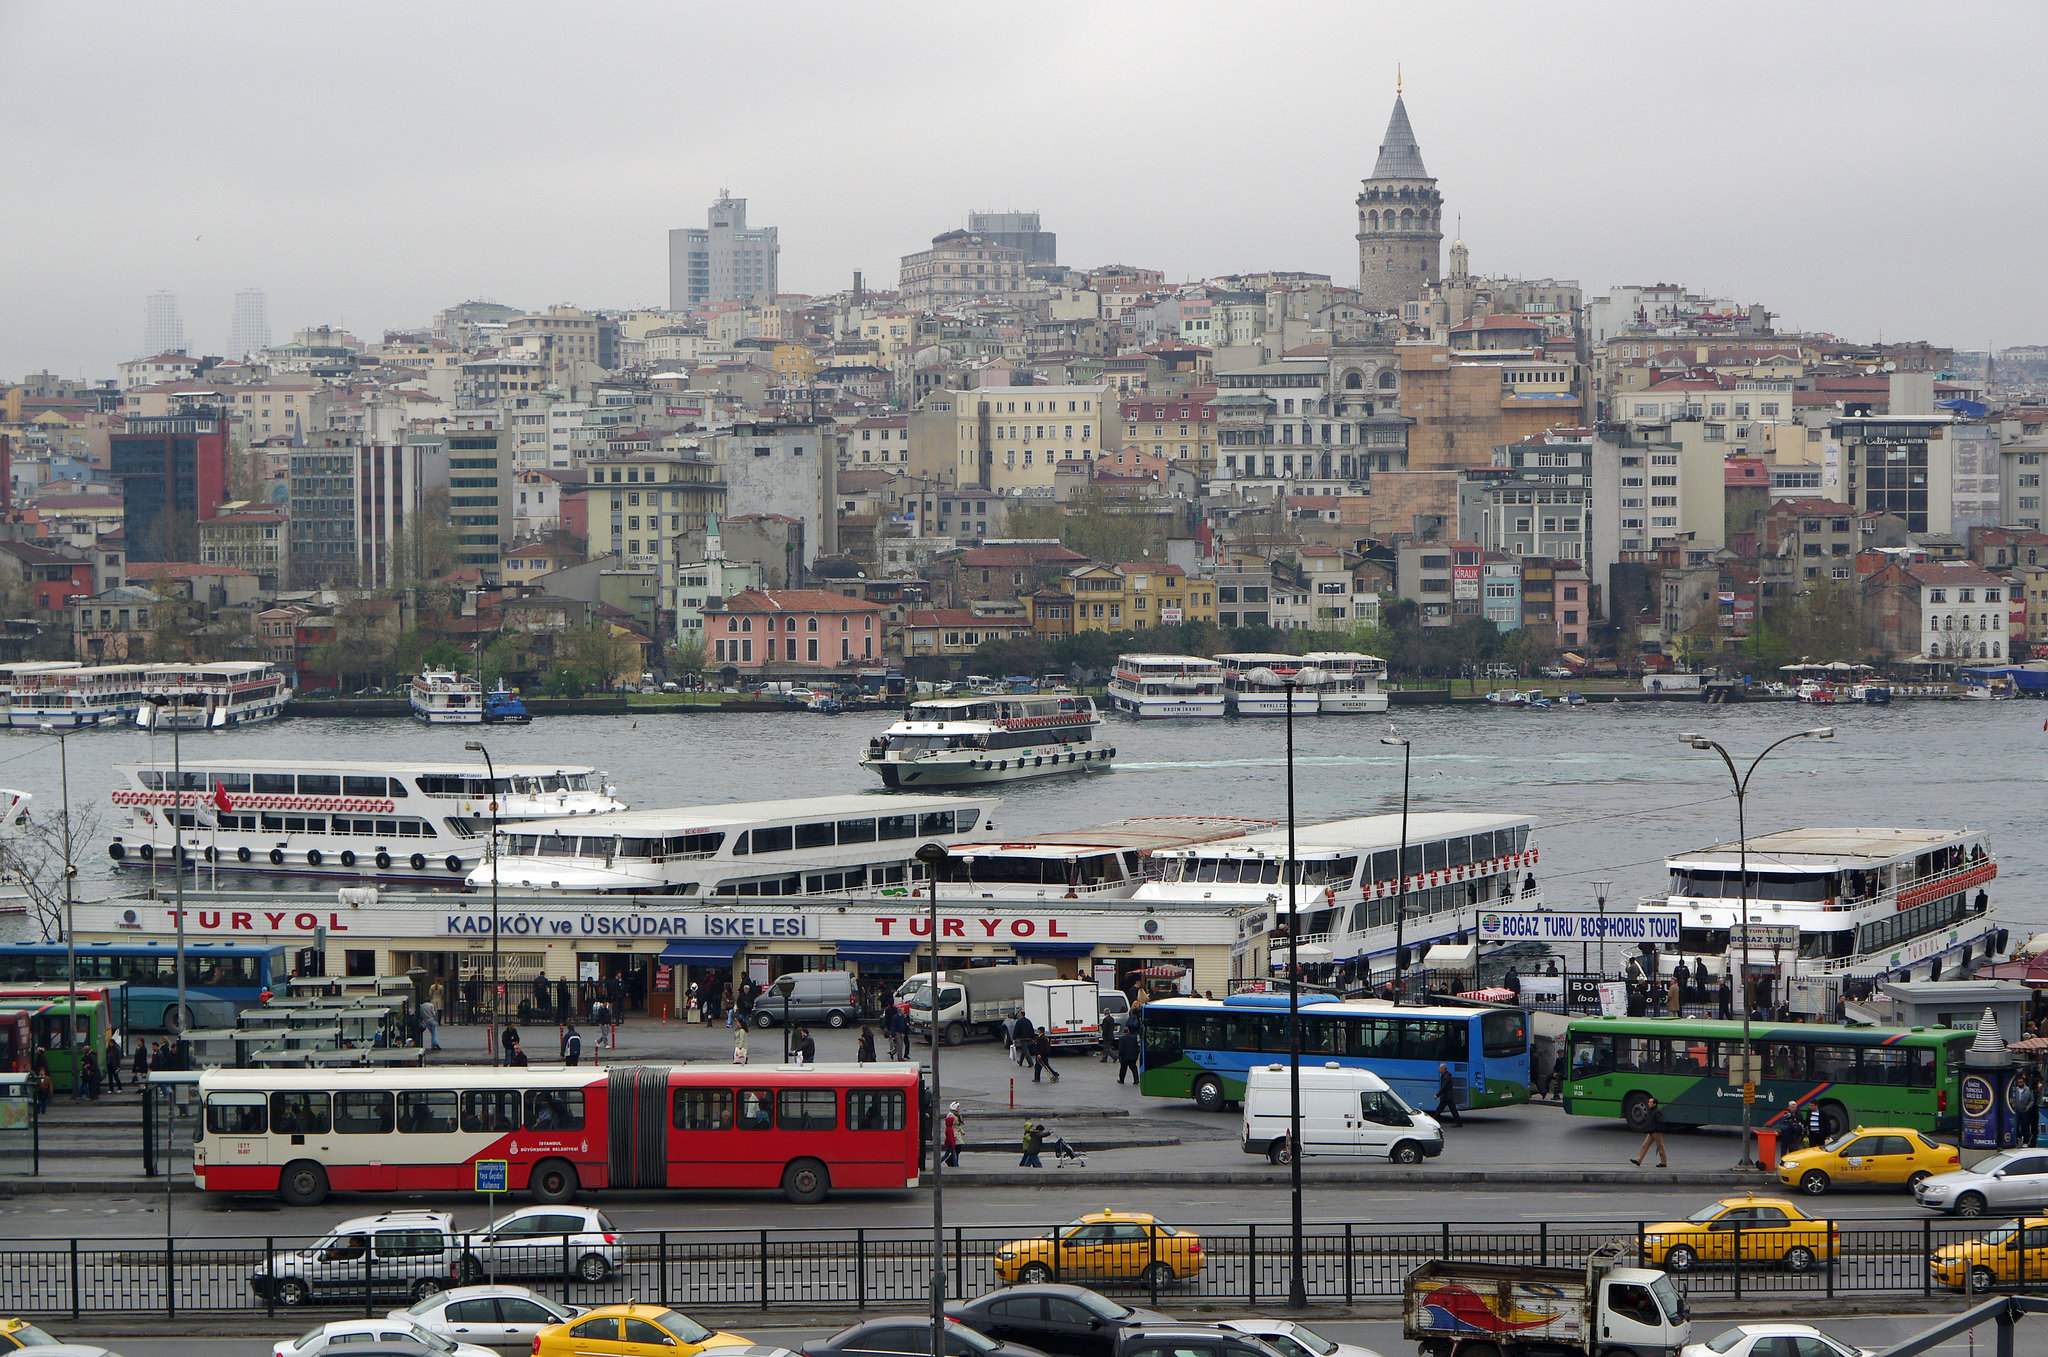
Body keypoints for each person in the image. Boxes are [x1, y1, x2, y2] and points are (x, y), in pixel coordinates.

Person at [1631, 1095, 1667, 1167]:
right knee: (1644, 1146)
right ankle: (1638, 1160)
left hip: (1656, 1132)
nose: (1648, 1103)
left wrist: (1656, 1130)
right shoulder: (1652, 1111)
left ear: (1654, 1104)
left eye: (1650, 1102)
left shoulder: (1657, 1112)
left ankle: (1664, 1162)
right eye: (1649, 1102)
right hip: (1651, 1132)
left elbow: (1661, 1122)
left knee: (1660, 1146)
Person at [1433, 1062, 1464, 1127]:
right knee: (1452, 1110)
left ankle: (1433, 1122)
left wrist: (1437, 1095)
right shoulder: (1446, 1076)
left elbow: (1444, 1087)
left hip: (1446, 1097)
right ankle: (1459, 1123)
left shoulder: (1446, 1077)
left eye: (1440, 1068)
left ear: (1443, 1069)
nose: (1439, 1069)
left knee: (1440, 1110)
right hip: (1447, 1097)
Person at [1116, 1017, 1142, 1086]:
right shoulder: (1134, 1038)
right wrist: (1136, 1056)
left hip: (1124, 1057)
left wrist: (1120, 1057)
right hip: (1132, 1057)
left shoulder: (1122, 1039)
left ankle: (1121, 1080)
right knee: (1134, 1069)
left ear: (1123, 1032)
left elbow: (1121, 1049)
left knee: (1123, 1069)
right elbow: (1137, 1048)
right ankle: (1136, 1080)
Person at [942, 1101, 962, 1168]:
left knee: (952, 1152)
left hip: (956, 1134)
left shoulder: (956, 1114)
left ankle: (952, 1162)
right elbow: (951, 1124)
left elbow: (958, 1125)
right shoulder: (951, 1115)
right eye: (958, 1106)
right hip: (954, 1135)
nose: (959, 1108)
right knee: (956, 1150)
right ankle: (954, 1163)